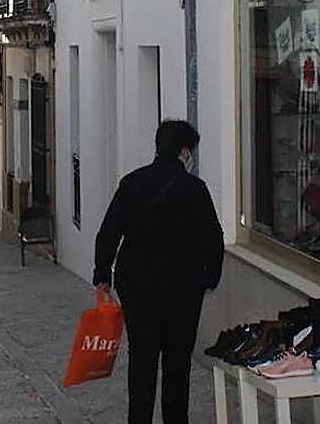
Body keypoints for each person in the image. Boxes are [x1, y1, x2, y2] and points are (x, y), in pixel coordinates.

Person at [94, 120, 224, 424]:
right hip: (184, 286)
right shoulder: (195, 189)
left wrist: (103, 274)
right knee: (177, 362)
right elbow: (213, 238)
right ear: (184, 151)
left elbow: (109, 231)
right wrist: (209, 277)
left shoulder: (132, 183)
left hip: (137, 283)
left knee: (142, 357)